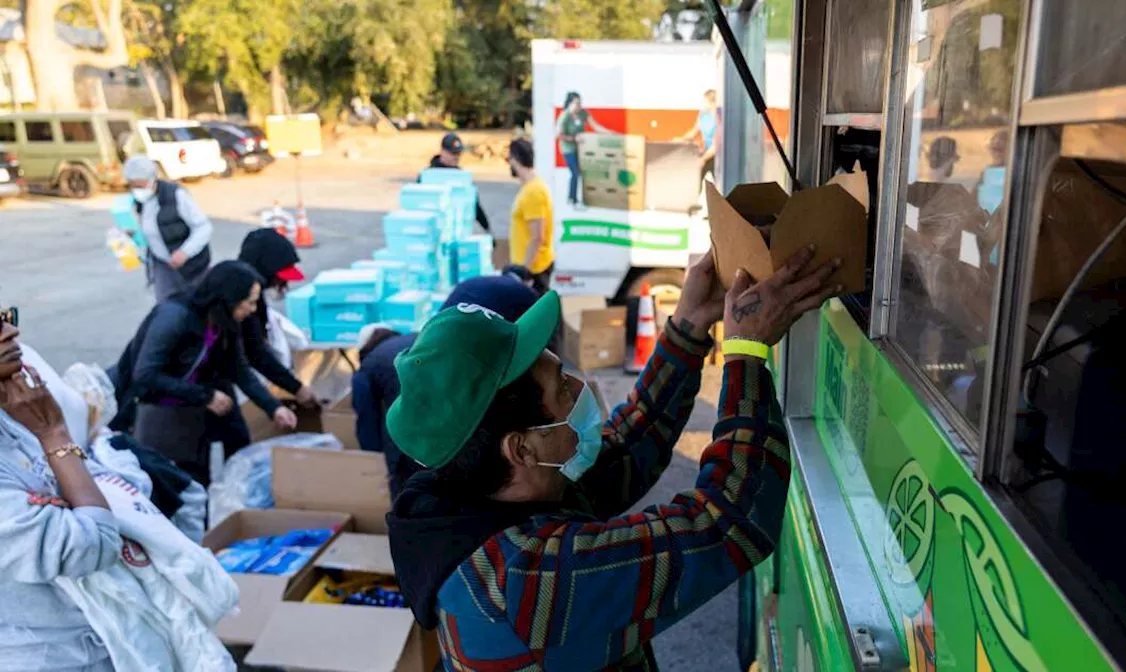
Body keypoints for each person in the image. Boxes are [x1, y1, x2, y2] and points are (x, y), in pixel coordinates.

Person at [386, 248, 842, 668]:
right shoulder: (524, 579)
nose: (580, 388)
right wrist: (746, 353)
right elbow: (725, 522)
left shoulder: (484, 494)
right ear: (521, 448)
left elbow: (626, 445)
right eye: (562, 387)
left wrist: (688, 323)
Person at [0, 303, 122, 671]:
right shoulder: (37, 420)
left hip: (88, 640)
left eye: (6, 316)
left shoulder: (15, 407)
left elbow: (110, 481)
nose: (11, 332)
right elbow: (94, 544)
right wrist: (55, 436)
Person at [353, 275, 544, 498]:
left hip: (414, 437)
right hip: (462, 423)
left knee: (412, 487)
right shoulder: (420, 339)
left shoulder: (368, 365)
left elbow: (366, 417)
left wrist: (373, 452)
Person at [111, 261, 297, 485]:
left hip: (193, 407)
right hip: (157, 409)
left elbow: (239, 370)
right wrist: (205, 396)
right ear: (228, 298)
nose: (253, 309)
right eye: (249, 302)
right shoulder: (174, 316)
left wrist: (273, 407)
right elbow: (145, 374)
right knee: (181, 483)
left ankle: (231, 505)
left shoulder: (225, 322)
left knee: (228, 452)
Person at [237, 229, 318, 405]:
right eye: (280, 279)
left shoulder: (253, 293)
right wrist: (296, 388)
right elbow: (256, 353)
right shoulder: (243, 302)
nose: (283, 286)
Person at [123, 155, 214, 303]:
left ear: (153, 179)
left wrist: (185, 252)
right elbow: (152, 230)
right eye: (133, 186)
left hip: (192, 267)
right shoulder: (140, 201)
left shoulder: (176, 195)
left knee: (199, 306)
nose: (137, 190)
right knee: (167, 310)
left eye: (141, 185)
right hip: (163, 265)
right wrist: (134, 235)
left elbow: (204, 227)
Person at [508, 139, 556, 295]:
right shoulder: (531, 188)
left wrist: (524, 271)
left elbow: (537, 237)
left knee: (539, 317)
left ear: (515, 160)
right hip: (531, 268)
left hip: (534, 270)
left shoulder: (533, 192)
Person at [421, 132, 491, 233]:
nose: (456, 157)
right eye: (452, 153)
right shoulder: (427, 175)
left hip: (456, 230)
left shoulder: (462, 177)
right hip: (432, 230)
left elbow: (474, 204)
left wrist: (487, 228)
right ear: (442, 151)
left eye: (458, 154)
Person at [555, 92, 614, 210]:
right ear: (569, 104)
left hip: (581, 148)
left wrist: (610, 133)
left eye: (580, 103)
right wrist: (573, 139)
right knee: (575, 173)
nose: (579, 105)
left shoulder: (583, 113)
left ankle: (585, 198)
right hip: (568, 149)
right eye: (576, 103)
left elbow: (595, 126)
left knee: (583, 173)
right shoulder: (564, 116)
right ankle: (573, 199)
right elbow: (559, 135)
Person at [679, 88, 720, 198]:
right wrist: (681, 139)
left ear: (712, 102)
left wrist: (703, 159)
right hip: (706, 150)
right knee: (698, 177)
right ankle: (695, 201)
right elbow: (694, 131)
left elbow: (716, 145)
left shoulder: (719, 118)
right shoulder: (702, 114)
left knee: (719, 183)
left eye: (704, 101)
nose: (702, 104)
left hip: (717, 154)